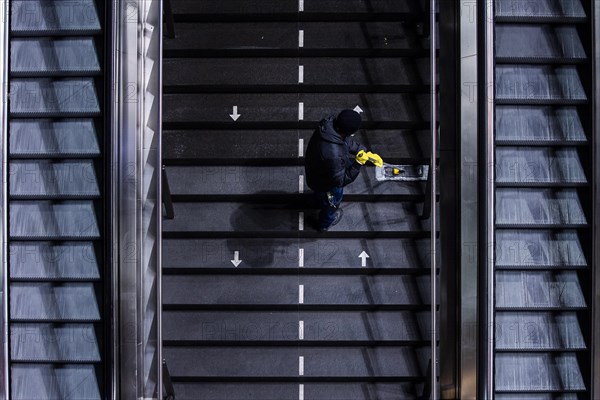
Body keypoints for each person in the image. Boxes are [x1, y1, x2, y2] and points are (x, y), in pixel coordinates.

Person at [305, 109, 383, 231]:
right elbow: (340, 181)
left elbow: (344, 142)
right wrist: (358, 163)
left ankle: (318, 201)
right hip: (327, 184)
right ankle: (324, 224)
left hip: (315, 173)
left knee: (319, 195)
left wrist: (364, 151)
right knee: (332, 203)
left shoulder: (328, 127)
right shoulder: (333, 154)